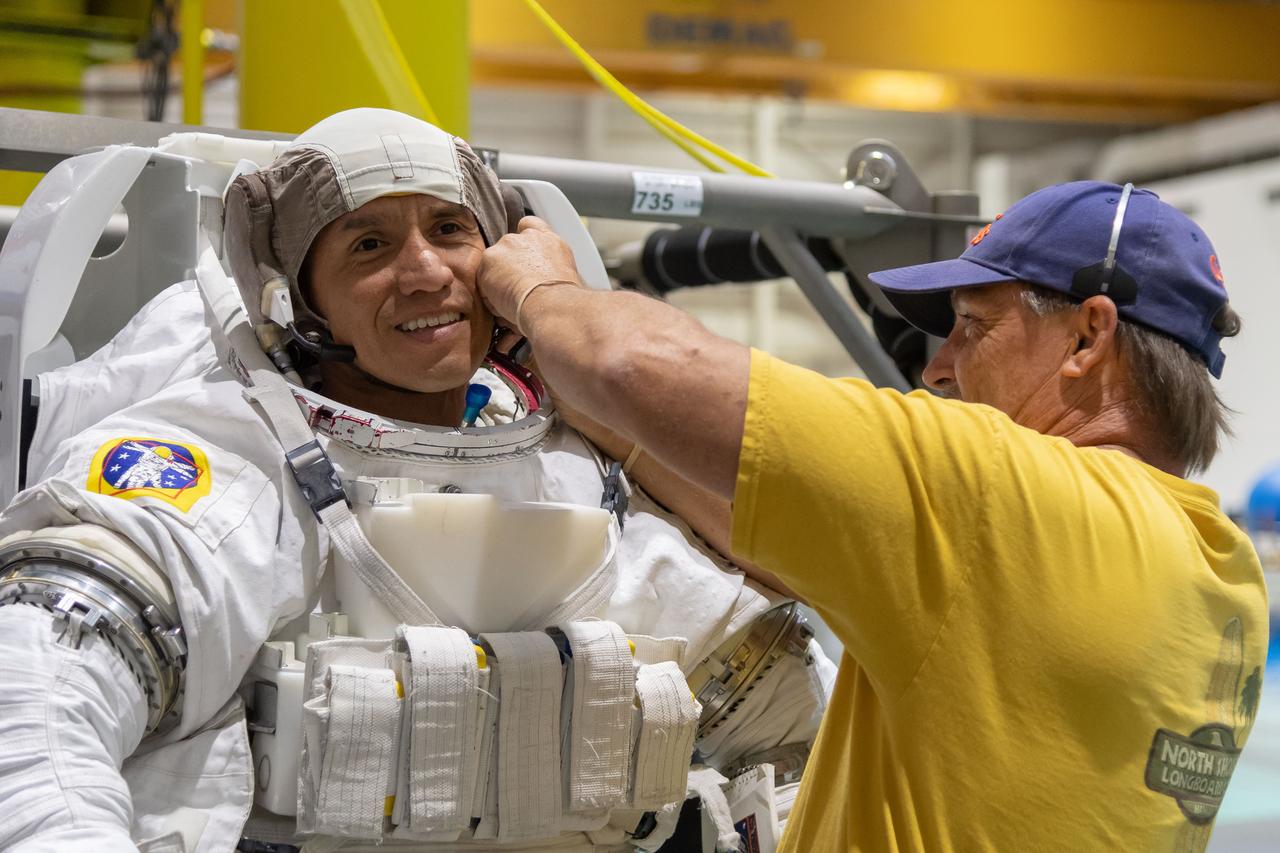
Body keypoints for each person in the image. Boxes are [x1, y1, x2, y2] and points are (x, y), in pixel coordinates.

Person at [0, 108, 833, 852]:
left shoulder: (573, 472)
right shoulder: (224, 464)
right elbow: (37, 710)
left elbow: (797, 727)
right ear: (300, 296)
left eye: (450, 230)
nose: (427, 272)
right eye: (369, 244)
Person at [475, 180, 1269, 851]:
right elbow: (796, 546)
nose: (938, 364)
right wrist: (591, 410)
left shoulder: (1003, 493)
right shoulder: (1218, 565)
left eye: (972, 325)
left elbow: (635, 362)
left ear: (1087, 337)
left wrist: (545, 292)